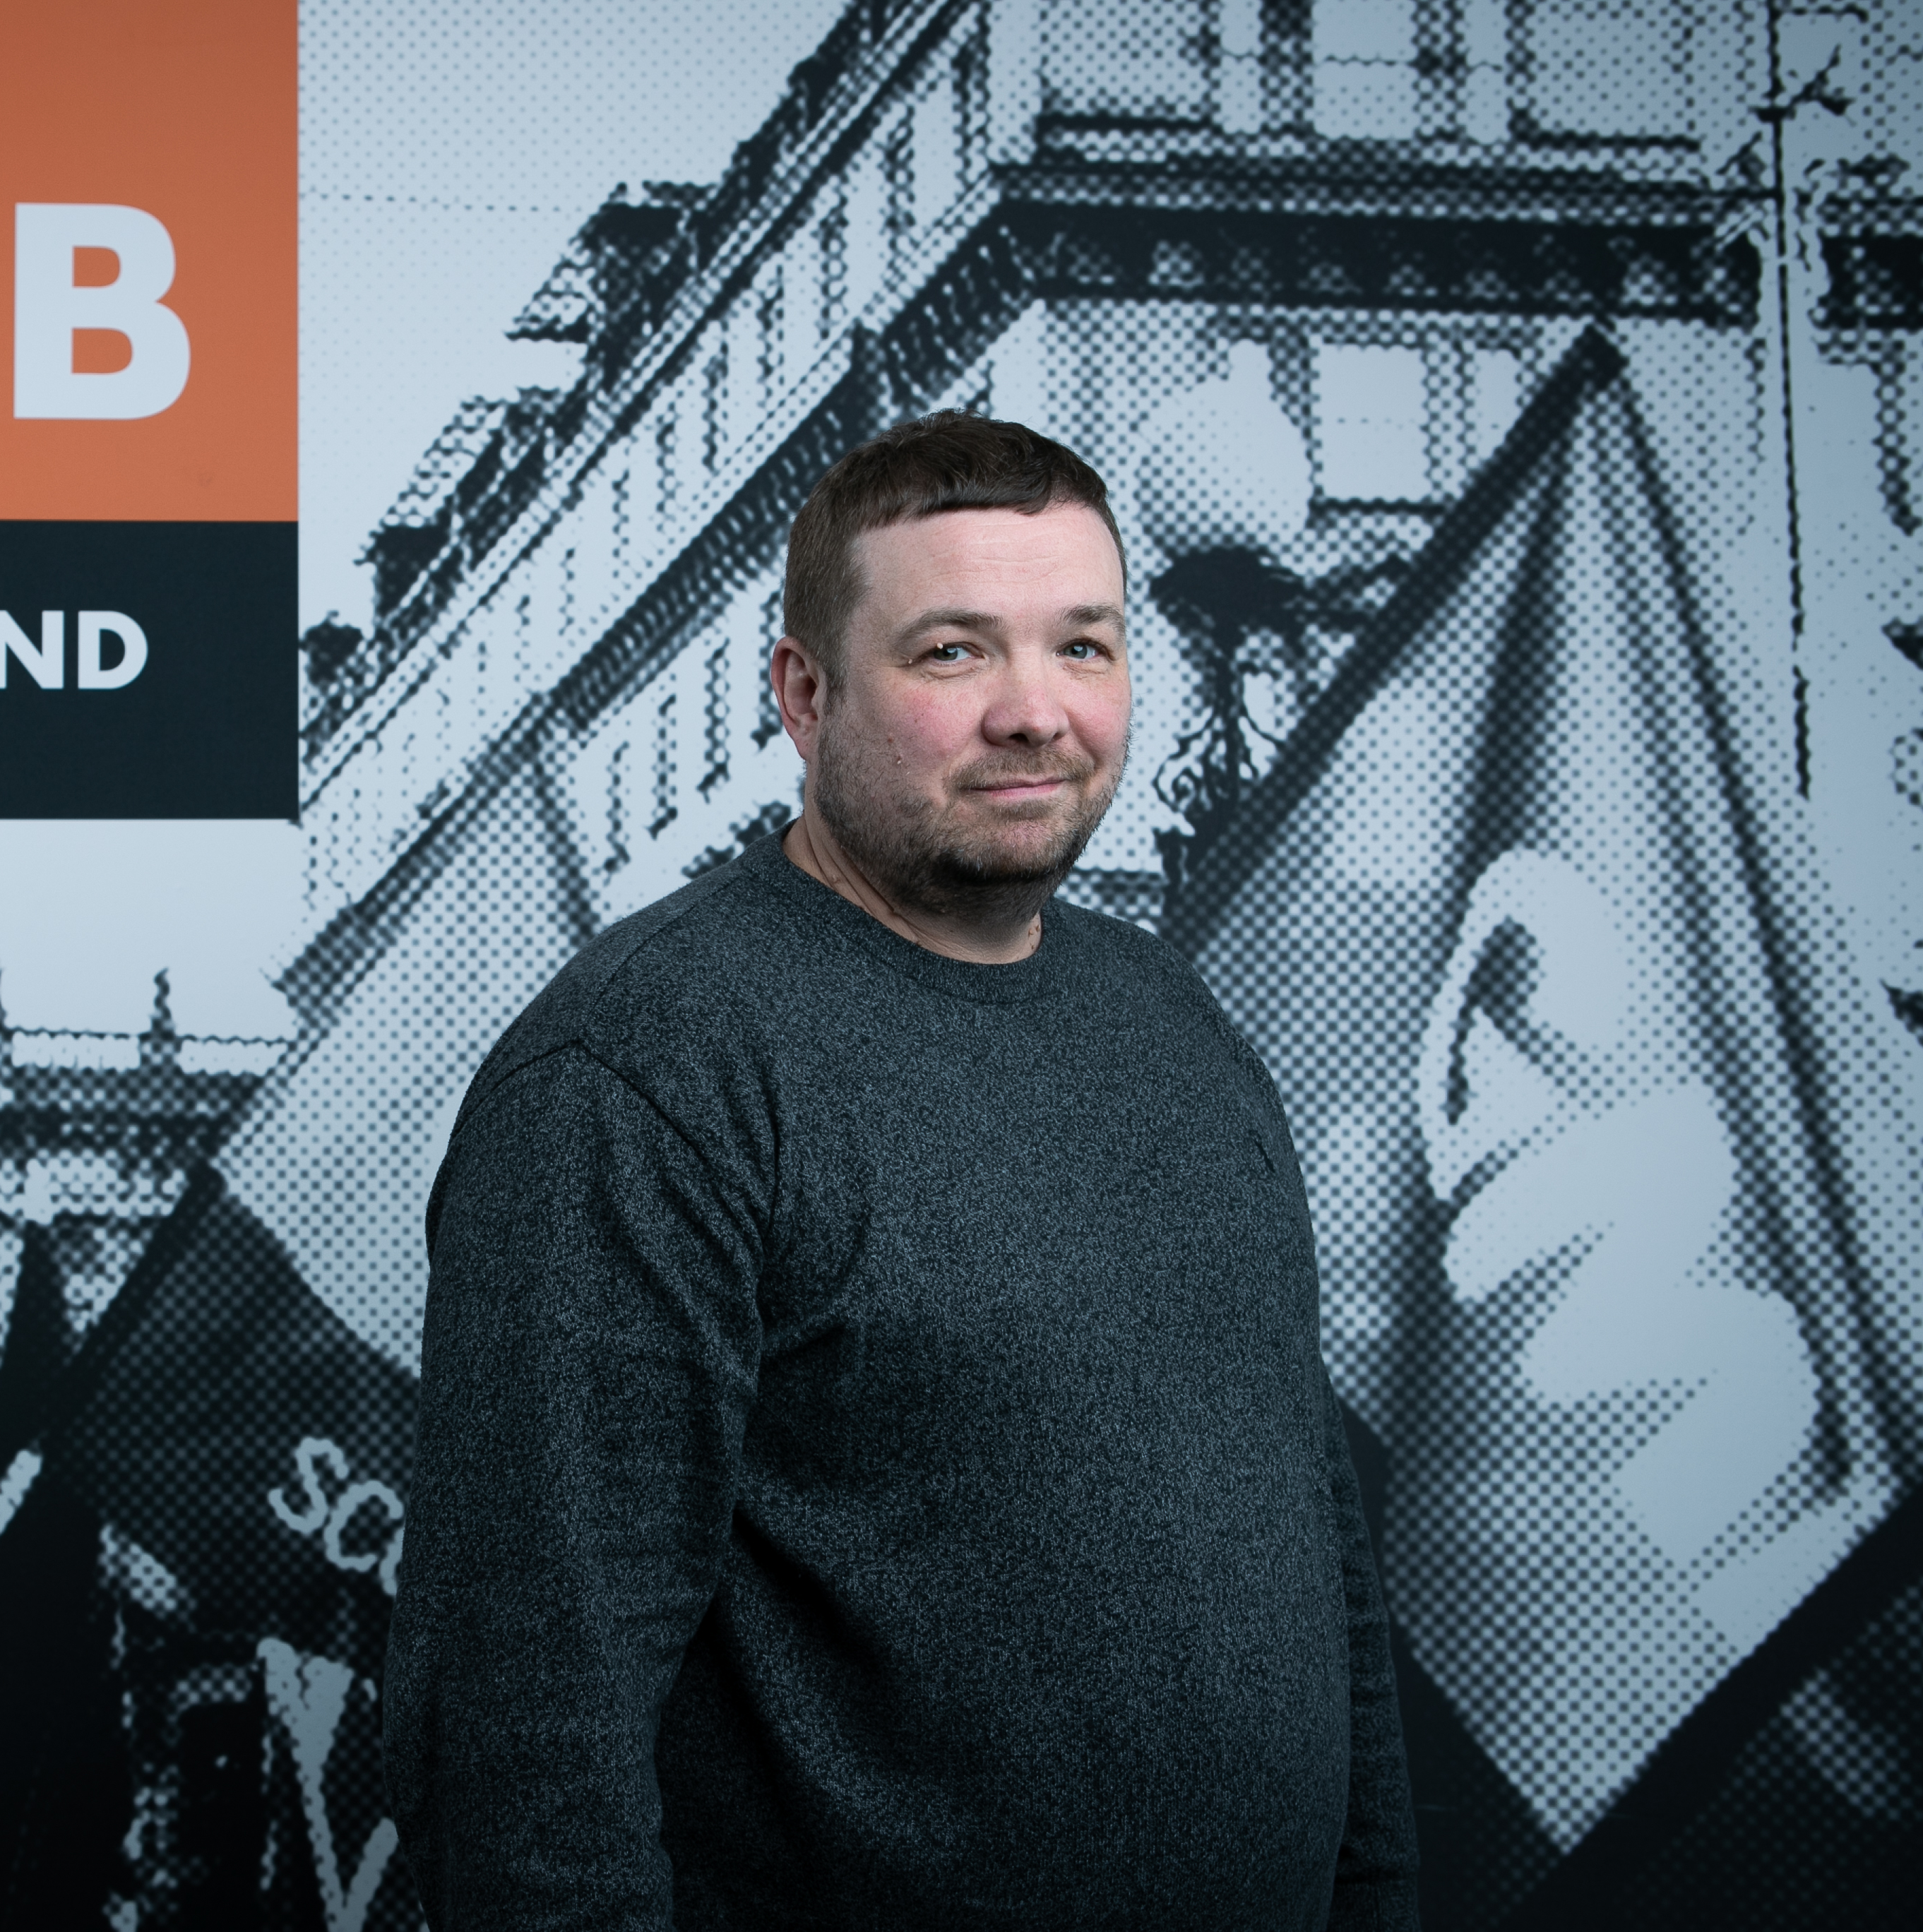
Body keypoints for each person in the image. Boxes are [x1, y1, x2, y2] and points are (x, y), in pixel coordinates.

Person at [386, 412, 1419, 1929]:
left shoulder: (1188, 1034)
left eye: (1084, 646)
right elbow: (525, 1725)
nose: (1035, 713)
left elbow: (1324, 1578)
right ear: (805, 696)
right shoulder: (647, 1073)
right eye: (953, 653)